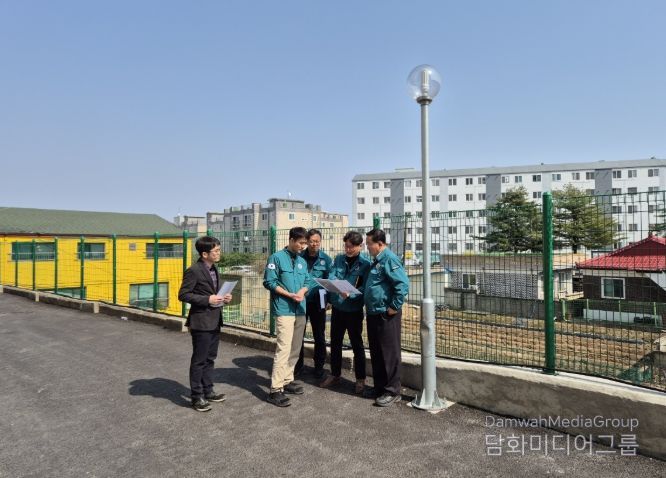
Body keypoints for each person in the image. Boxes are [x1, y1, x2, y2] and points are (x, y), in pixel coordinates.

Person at [178, 236, 232, 412]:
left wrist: (224, 298)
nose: (219, 253)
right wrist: (207, 299)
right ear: (204, 254)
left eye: (218, 249)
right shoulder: (194, 271)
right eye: (216, 251)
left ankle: (208, 391)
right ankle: (196, 397)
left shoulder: (214, 268)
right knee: (199, 360)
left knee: (210, 358)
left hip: (215, 320)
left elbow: (215, 292)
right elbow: (183, 294)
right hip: (201, 321)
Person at [263, 227, 315, 407]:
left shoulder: (301, 261)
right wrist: (289, 295)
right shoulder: (276, 258)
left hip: (300, 309)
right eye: (300, 243)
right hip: (284, 309)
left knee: (295, 348)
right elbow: (269, 282)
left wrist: (302, 291)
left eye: (305, 243)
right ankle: (275, 389)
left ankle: (287, 380)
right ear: (291, 240)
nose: (303, 246)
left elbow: (308, 281)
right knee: (283, 348)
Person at [320, 231, 371, 394]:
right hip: (338, 309)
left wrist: (351, 294)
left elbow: (365, 287)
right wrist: (335, 285)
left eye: (351, 247)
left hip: (354, 310)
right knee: (335, 343)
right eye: (346, 246)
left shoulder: (365, 264)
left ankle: (360, 379)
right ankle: (335, 374)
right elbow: (332, 275)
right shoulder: (339, 259)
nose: (348, 250)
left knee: (357, 345)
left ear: (360, 246)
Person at [363, 229, 409, 407]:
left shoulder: (389, 259)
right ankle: (380, 387)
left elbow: (402, 284)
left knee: (389, 353)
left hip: (386, 313)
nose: (367, 247)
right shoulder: (377, 261)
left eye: (369, 244)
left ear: (380, 244)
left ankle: (392, 391)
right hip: (374, 312)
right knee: (376, 352)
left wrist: (394, 307)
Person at [294, 229, 333, 379]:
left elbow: (330, 281)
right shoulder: (299, 257)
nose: (314, 244)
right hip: (301, 301)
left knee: (319, 335)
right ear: (307, 242)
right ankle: (298, 366)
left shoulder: (326, 259)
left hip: (319, 301)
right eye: (311, 241)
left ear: (320, 242)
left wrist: (329, 300)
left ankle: (319, 367)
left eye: (317, 241)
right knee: (299, 335)